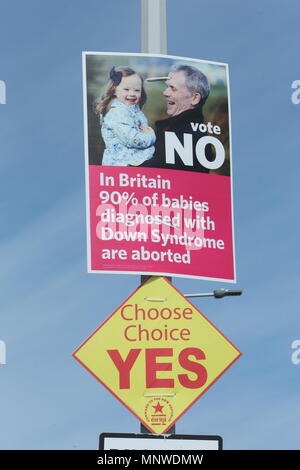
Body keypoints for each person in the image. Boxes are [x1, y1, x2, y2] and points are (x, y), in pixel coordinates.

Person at [140, 64, 212, 172]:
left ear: (194, 98)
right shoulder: (178, 130)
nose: (165, 93)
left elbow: (147, 175)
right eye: (167, 86)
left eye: (173, 88)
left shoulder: (187, 138)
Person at [95, 66, 156, 166]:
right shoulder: (117, 113)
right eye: (126, 89)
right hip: (123, 163)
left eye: (137, 90)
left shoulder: (132, 109)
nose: (132, 94)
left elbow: (142, 127)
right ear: (114, 90)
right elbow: (132, 140)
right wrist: (151, 137)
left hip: (133, 158)